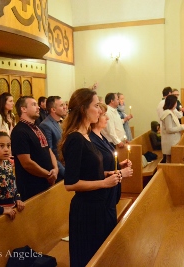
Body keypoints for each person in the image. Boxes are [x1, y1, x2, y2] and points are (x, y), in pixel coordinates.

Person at [58, 88, 121, 267]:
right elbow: (70, 184)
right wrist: (104, 182)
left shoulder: (87, 136)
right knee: (88, 258)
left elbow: (89, 170)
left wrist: (107, 173)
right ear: (83, 109)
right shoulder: (75, 139)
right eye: (95, 106)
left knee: (101, 256)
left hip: (99, 206)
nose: (100, 110)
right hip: (87, 210)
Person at [89, 102, 133, 237]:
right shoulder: (91, 140)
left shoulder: (102, 137)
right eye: (104, 116)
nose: (107, 119)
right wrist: (120, 173)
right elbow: (92, 172)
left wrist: (119, 165)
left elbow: (105, 163)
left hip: (110, 193)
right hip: (101, 196)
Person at [11, 96, 58, 201]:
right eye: (33, 104)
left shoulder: (38, 127)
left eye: (37, 104)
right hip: (32, 185)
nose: (38, 108)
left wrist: (55, 169)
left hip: (46, 181)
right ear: (23, 109)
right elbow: (27, 163)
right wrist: (48, 175)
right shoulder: (19, 131)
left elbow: (48, 150)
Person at [39, 96, 68, 182]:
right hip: (60, 171)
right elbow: (50, 152)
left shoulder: (62, 122)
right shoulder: (46, 125)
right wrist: (64, 172)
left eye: (65, 104)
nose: (65, 107)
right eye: (61, 105)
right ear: (53, 110)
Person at [160, 95, 184, 163]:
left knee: (173, 160)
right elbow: (169, 129)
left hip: (174, 140)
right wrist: (182, 127)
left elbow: (176, 123)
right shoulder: (167, 114)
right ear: (172, 103)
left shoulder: (172, 111)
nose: (176, 104)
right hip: (170, 141)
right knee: (170, 161)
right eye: (175, 102)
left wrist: (181, 125)